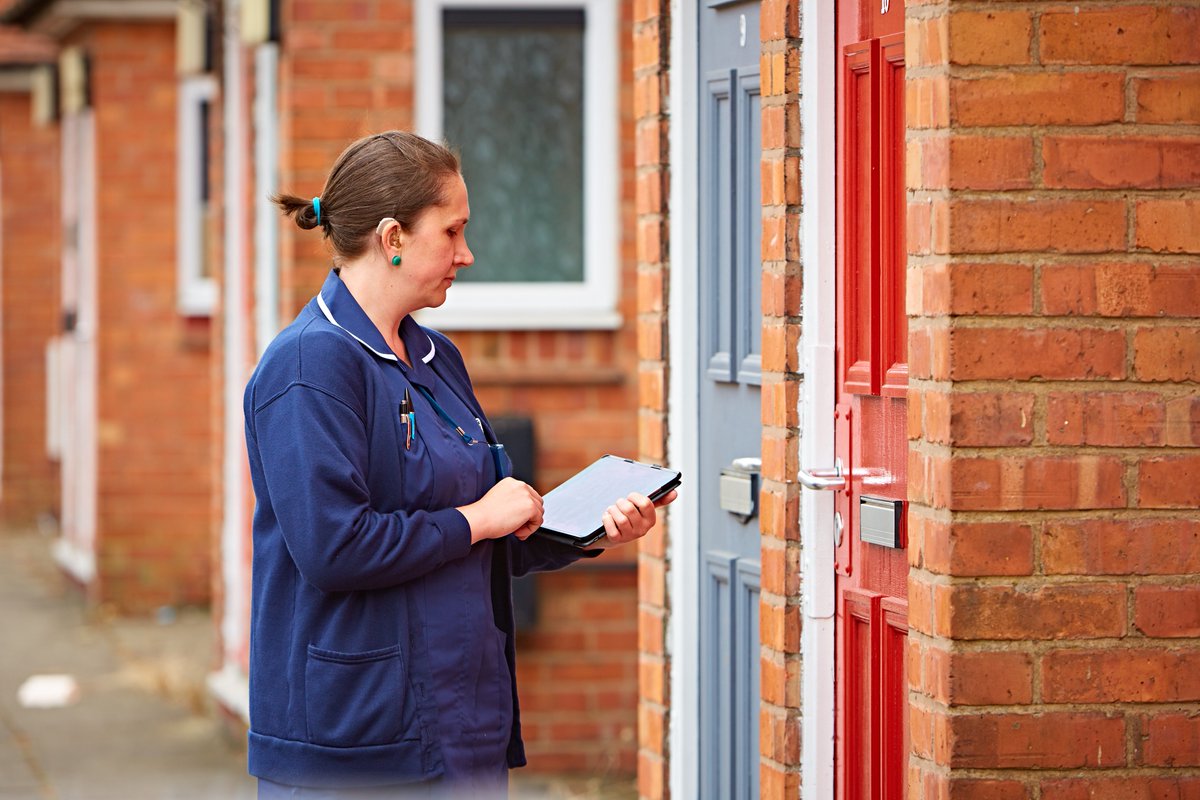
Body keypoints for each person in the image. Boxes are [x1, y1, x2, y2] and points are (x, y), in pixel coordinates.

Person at [243, 130, 676, 799]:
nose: (466, 254)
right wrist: (478, 518)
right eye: (451, 232)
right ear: (393, 238)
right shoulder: (309, 366)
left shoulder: (437, 358)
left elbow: (482, 536)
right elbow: (334, 549)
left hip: (464, 727)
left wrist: (585, 528)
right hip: (358, 744)